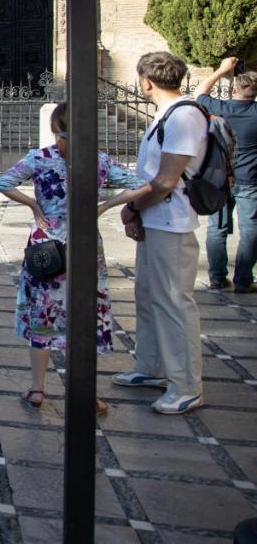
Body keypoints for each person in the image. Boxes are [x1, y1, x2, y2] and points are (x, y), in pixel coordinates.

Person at [0, 102, 145, 412]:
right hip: (84, 242)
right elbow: (141, 185)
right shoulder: (98, 160)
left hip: (47, 243)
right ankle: (86, 393)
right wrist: (105, 206)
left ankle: (37, 389)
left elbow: (4, 183)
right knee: (84, 313)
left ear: (54, 127)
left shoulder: (39, 158)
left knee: (43, 312)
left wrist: (34, 206)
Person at [115, 51, 209, 415]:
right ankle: (151, 366)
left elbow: (167, 180)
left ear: (146, 81)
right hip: (156, 220)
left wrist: (132, 207)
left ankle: (186, 384)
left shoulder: (184, 116)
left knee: (173, 303)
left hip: (172, 222)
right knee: (148, 295)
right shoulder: (166, 115)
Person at [195, 57, 257, 292]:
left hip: (219, 178)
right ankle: (243, 280)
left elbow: (200, 92)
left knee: (216, 226)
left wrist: (222, 70)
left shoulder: (220, 108)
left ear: (233, 89)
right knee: (251, 228)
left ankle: (217, 279)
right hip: (249, 179)